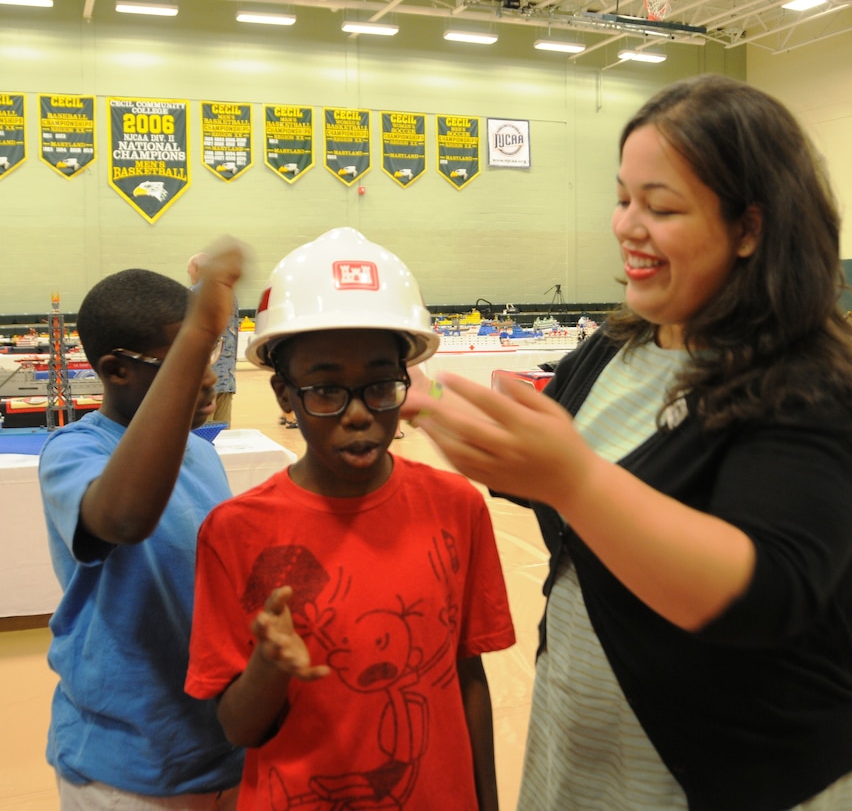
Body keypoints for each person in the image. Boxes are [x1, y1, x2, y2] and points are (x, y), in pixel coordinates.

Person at [404, 75, 852, 811]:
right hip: (590, 734)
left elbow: (767, 592)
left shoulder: (806, 381)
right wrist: (420, 393)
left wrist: (574, 479)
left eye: (660, 207)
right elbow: (541, 462)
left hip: (731, 768)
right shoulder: (618, 346)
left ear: (750, 228)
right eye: (623, 198)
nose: (627, 225)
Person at [185, 227, 516, 810]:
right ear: (285, 395)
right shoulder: (236, 532)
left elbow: (469, 678)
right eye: (326, 390)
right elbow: (237, 729)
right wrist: (268, 664)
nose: (359, 414)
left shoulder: (456, 507)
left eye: (380, 385)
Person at [39, 238, 249, 808]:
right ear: (117, 370)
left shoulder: (201, 453)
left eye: (205, 359)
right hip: (126, 767)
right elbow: (124, 518)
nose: (205, 377)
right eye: (183, 359)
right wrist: (202, 328)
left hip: (222, 748)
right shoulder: (74, 452)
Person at [189, 250, 239, 426]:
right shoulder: (229, 293)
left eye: (190, 273)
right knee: (224, 432)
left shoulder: (194, 293)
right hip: (226, 376)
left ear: (196, 268)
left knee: (202, 433)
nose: (190, 277)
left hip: (203, 380)